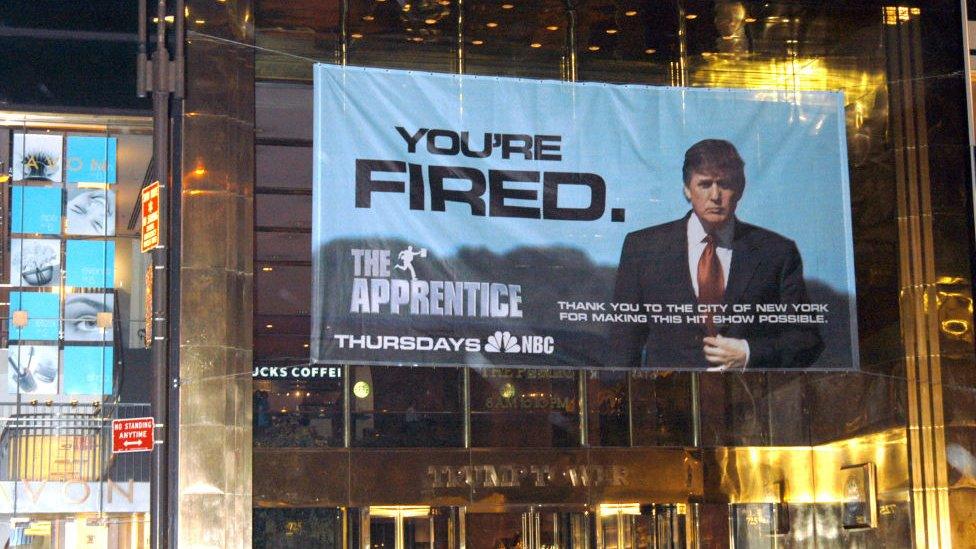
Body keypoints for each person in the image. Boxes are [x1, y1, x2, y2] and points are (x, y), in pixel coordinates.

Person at [611, 139, 823, 369]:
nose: (715, 195)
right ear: (686, 189)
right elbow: (623, 340)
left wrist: (749, 353)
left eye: (724, 184)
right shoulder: (643, 248)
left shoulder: (777, 253)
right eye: (705, 184)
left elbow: (806, 339)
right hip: (666, 395)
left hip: (749, 395)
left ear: (740, 189)